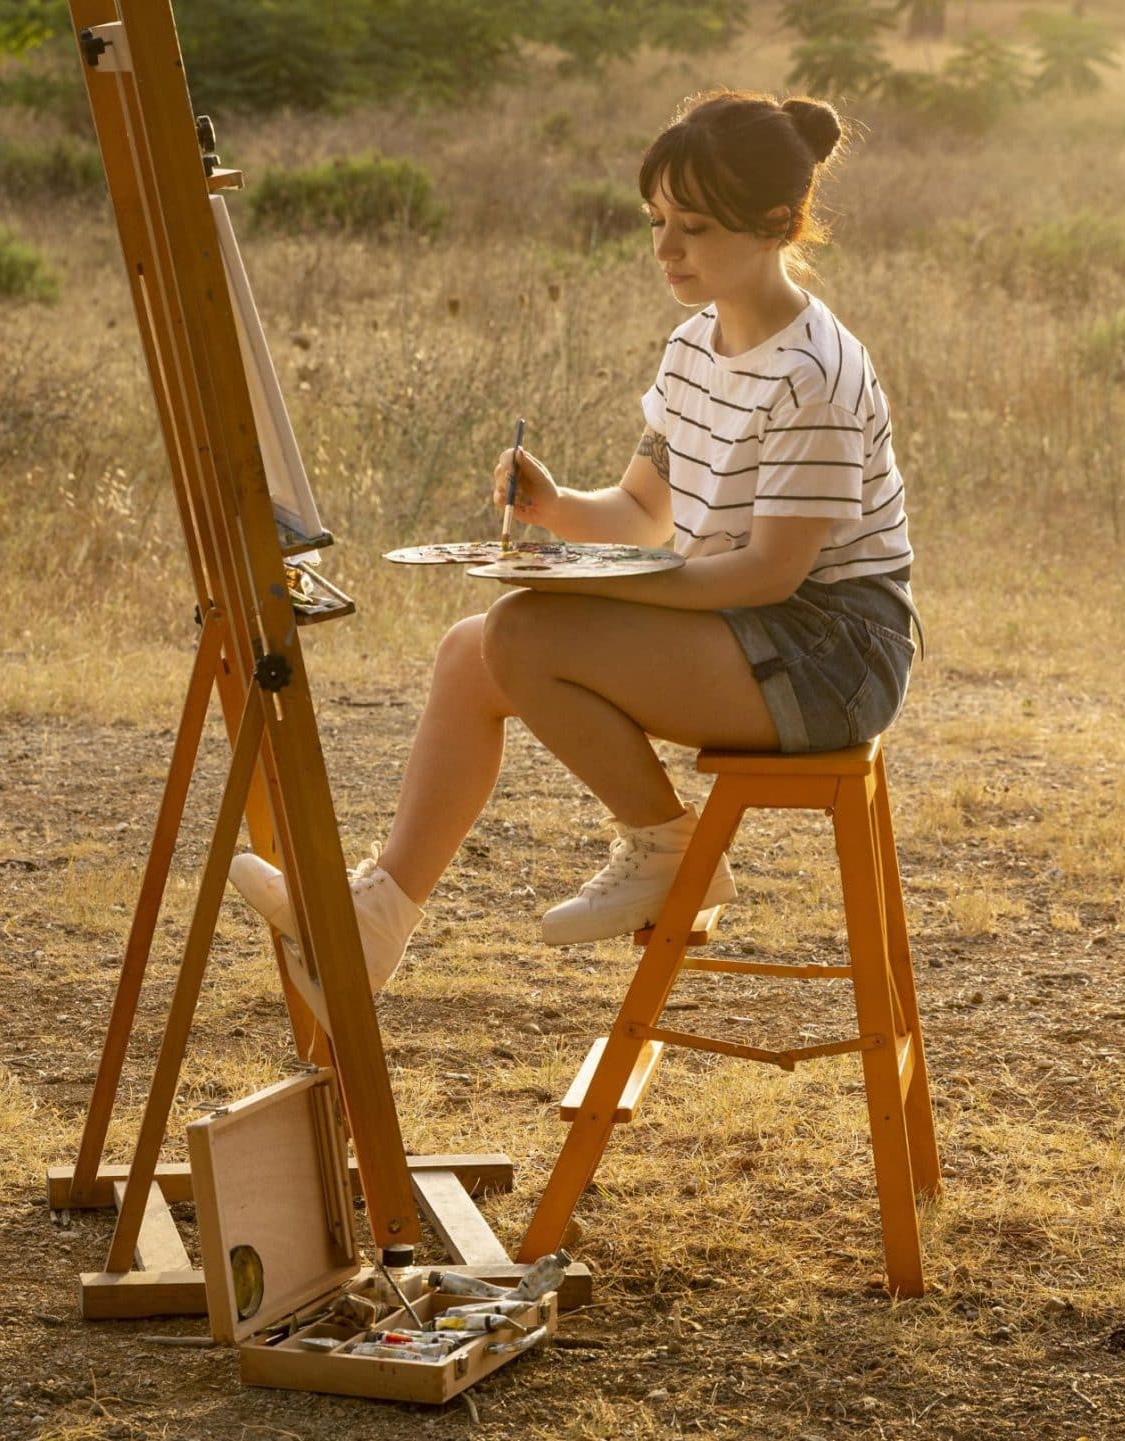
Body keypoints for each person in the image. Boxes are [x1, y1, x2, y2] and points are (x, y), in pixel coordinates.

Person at [232, 90, 915, 1018]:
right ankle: (374, 917)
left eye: (693, 227)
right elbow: (641, 509)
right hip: (755, 629)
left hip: (834, 655)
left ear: (775, 225)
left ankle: (666, 852)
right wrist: (555, 506)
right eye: (658, 223)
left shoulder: (815, 374)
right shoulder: (692, 348)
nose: (665, 250)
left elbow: (770, 575)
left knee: (523, 633)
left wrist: (612, 591)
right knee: (472, 653)